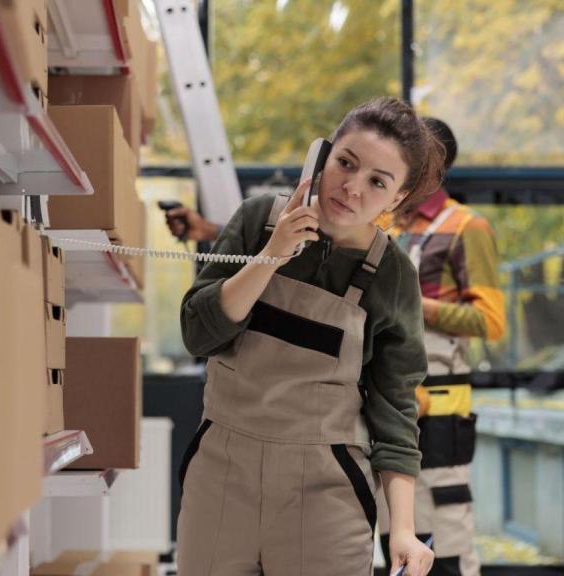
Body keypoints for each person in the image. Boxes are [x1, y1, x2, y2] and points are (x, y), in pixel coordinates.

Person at [177, 97, 443, 576]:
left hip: (325, 489)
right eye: (346, 163)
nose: (351, 187)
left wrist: (401, 528)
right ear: (323, 155)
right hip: (222, 472)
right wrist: (273, 254)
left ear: (397, 199)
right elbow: (198, 333)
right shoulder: (258, 220)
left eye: (377, 182)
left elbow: (395, 405)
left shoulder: (392, 274)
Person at [377, 117, 506, 576]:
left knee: (441, 549)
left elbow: (490, 321)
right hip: (389, 408)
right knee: (390, 542)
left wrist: (417, 303)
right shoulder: (385, 224)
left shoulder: (466, 227)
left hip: (439, 418)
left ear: (434, 164)